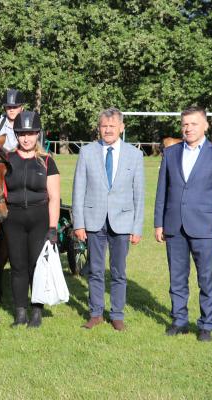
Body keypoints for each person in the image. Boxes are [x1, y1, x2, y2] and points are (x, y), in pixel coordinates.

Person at [154, 106, 212, 342]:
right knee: (177, 278)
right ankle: (179, 320)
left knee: (207, 280)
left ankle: (206, 326)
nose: (188, 128)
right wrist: (159, 223)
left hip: (206, 228)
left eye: (194, 124)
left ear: (205, 125)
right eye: (185, 124)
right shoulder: (170, 153)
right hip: (174, 226)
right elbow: (162, 191)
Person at [72, 108, 145, 332]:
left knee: (118, 271)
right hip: (93, 220)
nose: (108, 130)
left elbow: (139, 194)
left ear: (121, 128)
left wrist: (137, 228)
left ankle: (117, 315)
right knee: (95, 270)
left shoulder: (135, 155)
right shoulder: (87, 152)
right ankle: (95, 313)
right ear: (99, 128)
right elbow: (78, 190)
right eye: (104, 126)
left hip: (123, 222)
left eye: (112, 126)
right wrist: (79, 223)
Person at [2, 110, 60, 328]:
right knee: (17, 266)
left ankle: (36, 313)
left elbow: (54, 197)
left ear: (37, 134)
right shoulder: (7, 160)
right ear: (17, 135)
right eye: (22, 134)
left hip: (39, 219)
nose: (26, 138)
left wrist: (52, 227)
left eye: (30, 134)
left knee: (37, 266)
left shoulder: (47, 162)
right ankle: (20, 313)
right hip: (13, 219)